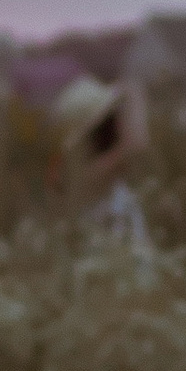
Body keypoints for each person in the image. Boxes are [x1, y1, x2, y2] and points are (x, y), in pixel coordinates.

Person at [49, 70, 151, 251]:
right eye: (114, 116)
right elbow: (136, 143)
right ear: (104, 128)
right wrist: (134, 91)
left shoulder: (75, 171)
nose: (121, 121)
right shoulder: (89, 174)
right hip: (117, 270)